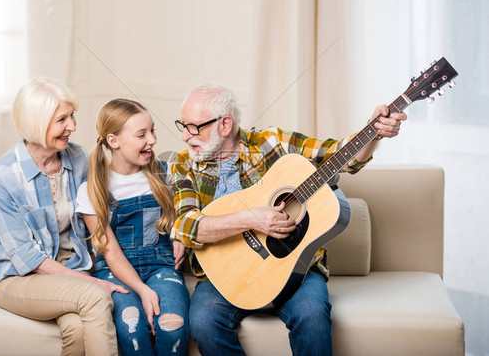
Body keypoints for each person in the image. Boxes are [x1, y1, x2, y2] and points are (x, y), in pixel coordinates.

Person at [171, 83, 407, 356]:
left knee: (312, 316)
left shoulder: (273, 143)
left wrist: (372, 133)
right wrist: (250, 219)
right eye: (183, 126)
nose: (186, 137)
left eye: (193, 127)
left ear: (225, 125)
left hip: (295, 269)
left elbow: (340, 155)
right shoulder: (183, 164)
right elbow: (185, 226)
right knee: (203, 323)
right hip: (224, 275)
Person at [0, 77, 126, 356]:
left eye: (72, 116)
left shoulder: (77, 158)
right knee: (94, 297)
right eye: (62, 119)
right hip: (17, 278)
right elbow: (27, 257)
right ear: (38, 123)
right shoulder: (4, 177)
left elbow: (102, 214)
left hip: (71, 268)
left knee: (76, 328)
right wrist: (92, 282)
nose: (73, 126)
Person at [76, 99, 190, 356]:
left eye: (152, 131)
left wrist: (181, 234)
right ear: (114, 141)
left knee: (173, 326)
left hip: (161, 266)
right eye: (142, 134)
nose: (152, 140)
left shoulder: (166, 174)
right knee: (132, 329)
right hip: (114, 272)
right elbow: (112, 254)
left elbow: (188, 208)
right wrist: (143, 290)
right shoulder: (92, 190)